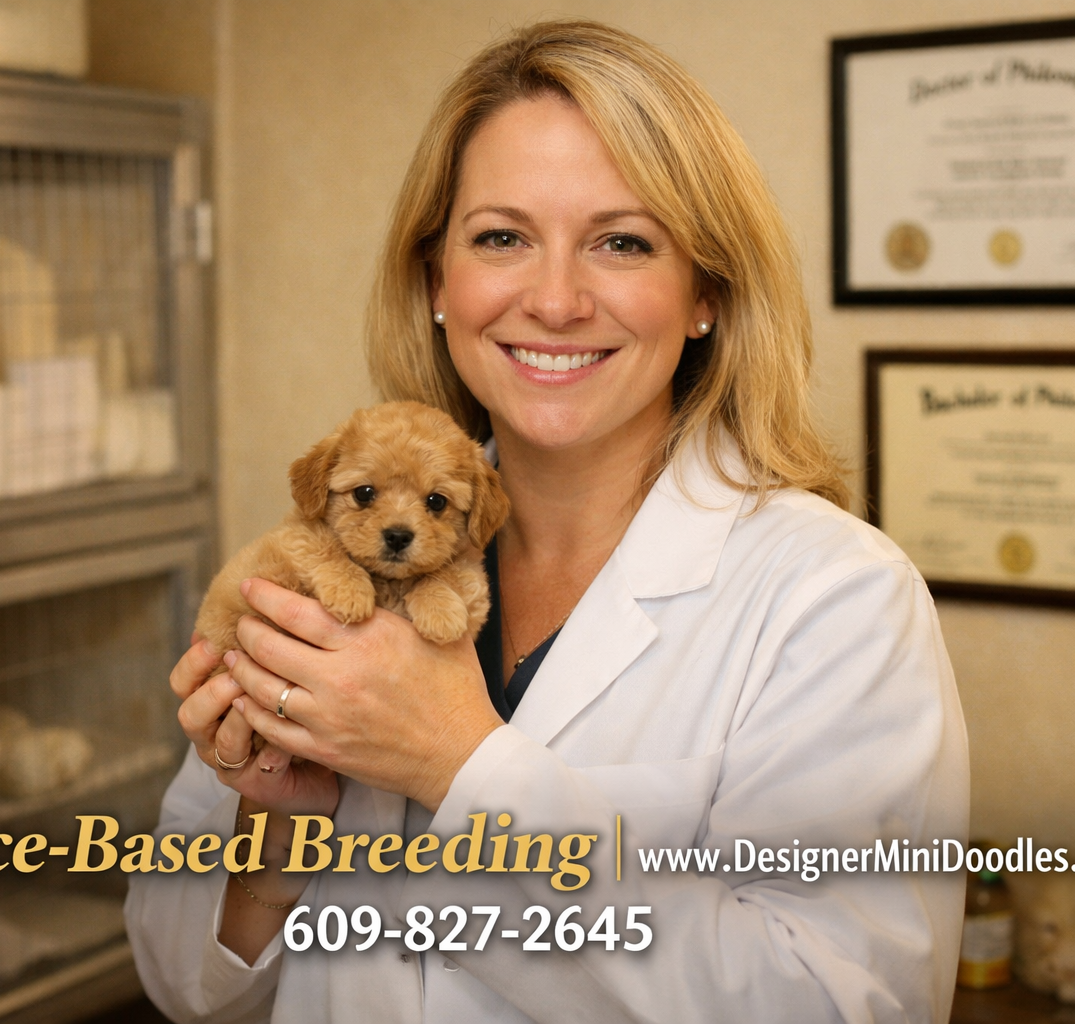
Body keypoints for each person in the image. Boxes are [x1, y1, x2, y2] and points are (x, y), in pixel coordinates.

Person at [127, 19, 968, 1024]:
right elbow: (185, 984)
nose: (557, 299)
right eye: (501, 237)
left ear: (703, 292)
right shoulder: (331, 559)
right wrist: (275, 837)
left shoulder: (836, 597)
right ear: (439, 280)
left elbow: (845, 1003)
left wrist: (458, 762)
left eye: (621, 241)